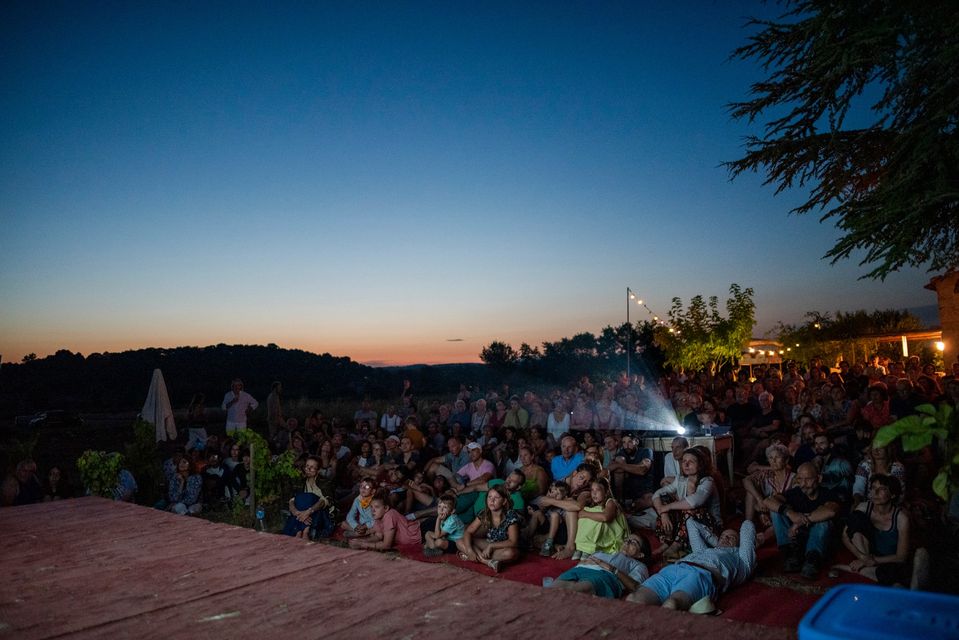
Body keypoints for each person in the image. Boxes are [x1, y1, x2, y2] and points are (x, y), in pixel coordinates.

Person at [628, 520, 757, 613]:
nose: (725, 538)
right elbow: (691, 523)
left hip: (700, 575)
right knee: (633, 600)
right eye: (723, 536)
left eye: (731, 538)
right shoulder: (702, 550)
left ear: (739, 545)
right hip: (673, 570)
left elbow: (748, 525)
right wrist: (716, 542)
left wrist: (731, 545)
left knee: (671, 605)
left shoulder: (741, 560)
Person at [835, 474, 923, 587]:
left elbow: (901, 557)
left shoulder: (901, 518)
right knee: (857, 517)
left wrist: (873, 561)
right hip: (867, 553)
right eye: (873, 488)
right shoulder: (863, 508)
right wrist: (863, 558)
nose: (875, 493)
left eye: (882, 489)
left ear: (892, 495)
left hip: (888, 561)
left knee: (895, 572)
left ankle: (901, 583)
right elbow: (845, 536)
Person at [765, 462, 841, 579]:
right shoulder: (795, 493)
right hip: (797, 540)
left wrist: (798, 522)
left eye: (808, 479)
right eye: (800, 479)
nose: (804, 484)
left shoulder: (828, 494)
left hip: (819, 543)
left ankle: (812, 561)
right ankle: (790, 555)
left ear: (818, 478)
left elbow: (830, 511)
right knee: (777, 510)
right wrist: (790, 513)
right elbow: (768, 501)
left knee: (824, 523)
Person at [652, 447, 721, 561]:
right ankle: (668, 540)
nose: (686, 464)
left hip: (708, 526)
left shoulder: (707, 481)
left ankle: (676, 544)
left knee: (690, 508)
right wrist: (663, 512)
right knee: (664, 499)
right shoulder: (681, 479)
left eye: (691, 461)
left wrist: (666, 507)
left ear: (700, 464)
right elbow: (657, 494)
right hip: (685, 525)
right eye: (684, 461)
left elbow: (694, 502)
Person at [550, 533, 651, 599]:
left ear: (640, 554)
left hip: (605, 575)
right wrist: (581, 563)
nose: (627, 542)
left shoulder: (639, 565)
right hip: (582, 568)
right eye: (627, 539)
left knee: (573, 592)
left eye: (633, 542)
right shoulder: (608, 552)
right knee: (551, 590)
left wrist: (612, 569)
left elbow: (635, 587)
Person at [459, 484, 522, 573]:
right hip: (488, 545)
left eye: (496, 497)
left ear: (504, 501)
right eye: (489, 497)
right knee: (460, 540)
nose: (492, 500)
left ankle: (474, 556)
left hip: (502, 547)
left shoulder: (510, 515)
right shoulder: (484, 513)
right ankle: (487, 561)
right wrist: (469, 550)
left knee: (512, 553)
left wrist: (491, 546)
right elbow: (468, 531)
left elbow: (513, 542)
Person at [741, 443, 795, 546]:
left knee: (778, 515)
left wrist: (764, 506)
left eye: (777, 457)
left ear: (786, 460)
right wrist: (759, 499)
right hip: (764, 513)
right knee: (751, 492)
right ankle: (748, 528)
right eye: (770, 458)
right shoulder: (767, 474)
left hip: (782, 514)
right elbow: (746, 480)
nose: (773, 461)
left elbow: (790, 503)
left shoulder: (794, 478)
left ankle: (759, 540)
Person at [349, 489, 422, 551]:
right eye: (371, 507)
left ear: (386, 508)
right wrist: (360, 540)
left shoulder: (389, 515)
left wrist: (362, 545)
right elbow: (378, 536)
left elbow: (386, 545)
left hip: (420, 533)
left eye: (377, 507)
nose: (373, 510)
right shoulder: (378, 516)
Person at [574, 478, 630, 557]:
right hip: (604, 534)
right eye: (592, 490)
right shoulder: (593, 504)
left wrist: (585, 514)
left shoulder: (611, 501)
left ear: (606, 492)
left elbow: (605, 517)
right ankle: (582, 546)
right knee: (589, 511)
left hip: (614, 536)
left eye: (598, 490)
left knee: (595, 514)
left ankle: (588, 548)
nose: (594, 493)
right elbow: (579, 506)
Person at [283, 456, 334, 539]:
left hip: (320, 515)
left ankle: (303, 531)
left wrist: (308, 511)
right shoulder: (301, 482)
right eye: (307, 466)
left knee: (310, 497)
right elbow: (292, 500)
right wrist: (296, 512)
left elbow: (325, 501)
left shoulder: (325, 482)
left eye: (312, 467)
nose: (308, 469)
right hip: (301, 516)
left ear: (318, 470)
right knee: (300, 498)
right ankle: (302, 531)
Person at [607, 433, 654, 509]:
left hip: (644, 489)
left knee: (651, 500)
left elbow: (642, 470)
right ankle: (620, 501)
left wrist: (620, 465)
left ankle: (632, 506)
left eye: (630, 442)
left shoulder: (646, 451)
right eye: (624, 442)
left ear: (637, 442)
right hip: (628, 489)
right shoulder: (622, 453)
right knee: (619, 461)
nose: (627, 445)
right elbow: (609, 468)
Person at [423, 493, 468, 557]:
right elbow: (439, 533)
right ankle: (433, 548)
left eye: (445, 507)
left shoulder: (452, 520)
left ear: (452, 511)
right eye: (439, 506)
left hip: (457, 543)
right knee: (428, 534)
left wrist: (438, 519)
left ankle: (431, 548)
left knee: (439, 542)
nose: (441, 509)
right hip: (447, 538)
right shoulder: (445, 517)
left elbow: (437, 535)